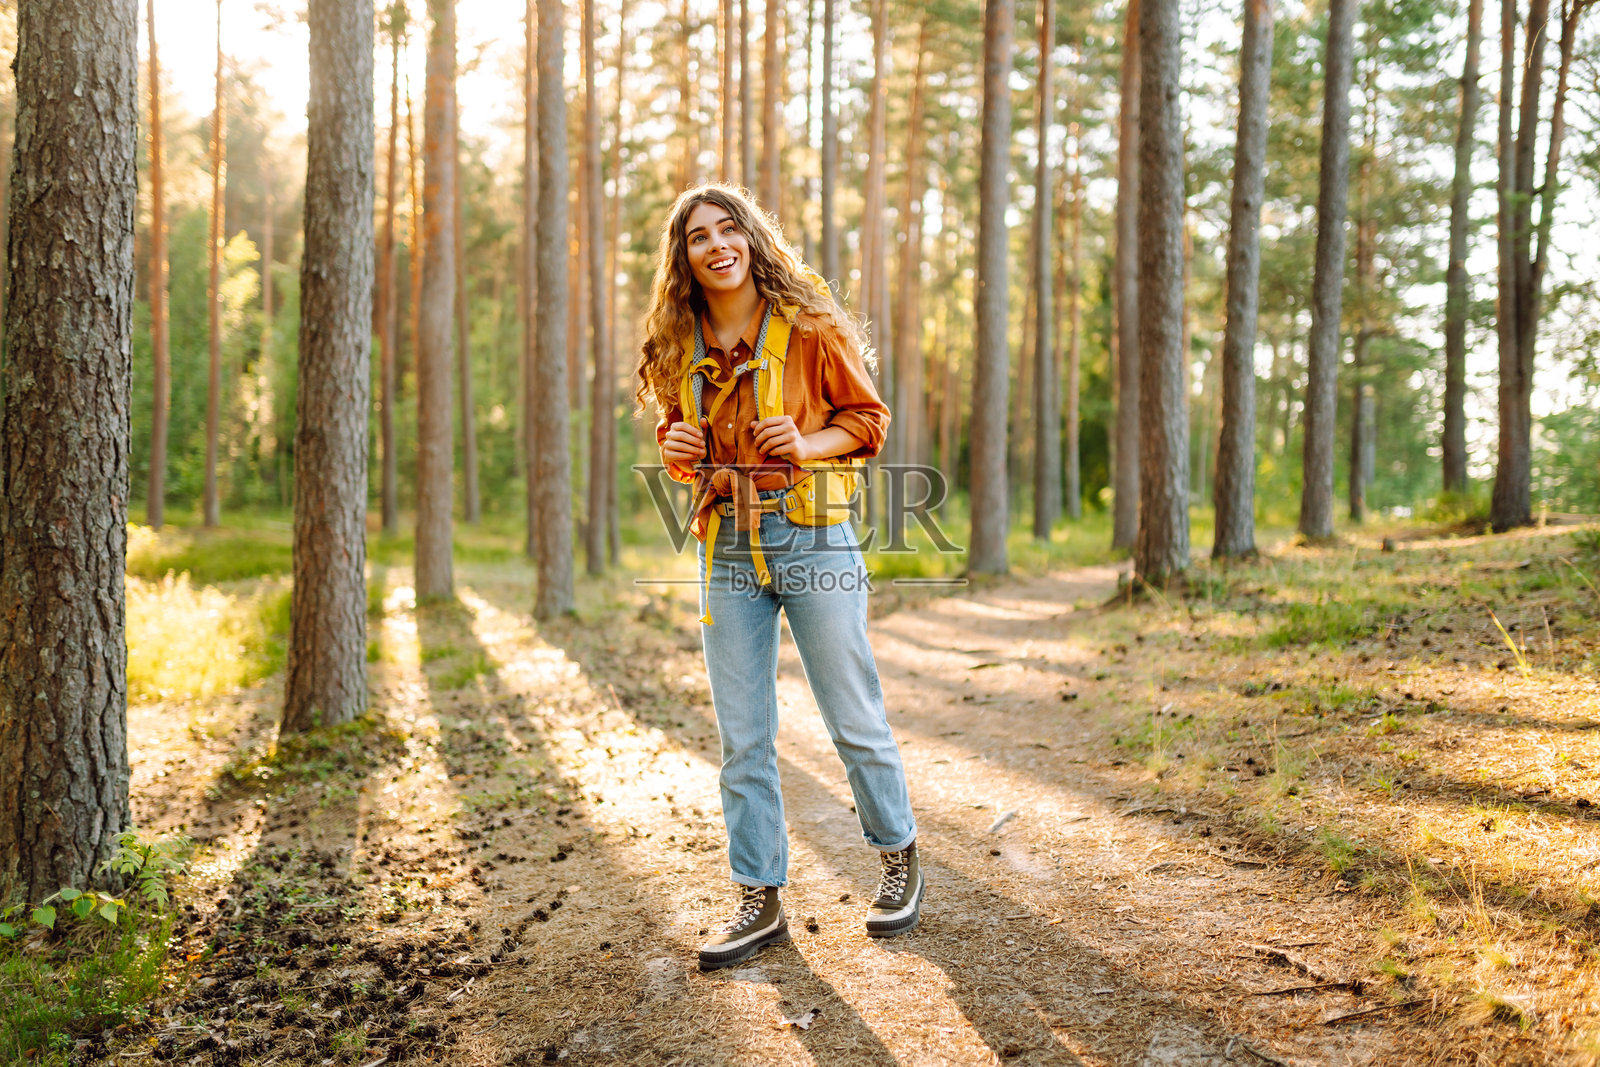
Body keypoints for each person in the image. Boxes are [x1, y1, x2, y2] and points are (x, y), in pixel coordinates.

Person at [634, 184, 923, 971]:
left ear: (753, 238)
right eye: (699, 236)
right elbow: (671, 430)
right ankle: (758, 896)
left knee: (851, 712)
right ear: (684, 257)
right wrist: (675, 448)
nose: (717, 244)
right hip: (724, 544)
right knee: (743, 737)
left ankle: (898, 854)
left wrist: (804, 440)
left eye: (730, 228)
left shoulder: (810, 324)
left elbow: (867, 422)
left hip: (814, 535)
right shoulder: (674, 337)